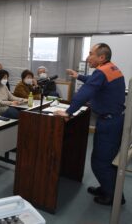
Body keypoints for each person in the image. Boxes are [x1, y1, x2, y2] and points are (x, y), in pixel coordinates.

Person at [54, 43, 126, 206]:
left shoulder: (101, 72)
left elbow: (85, 91)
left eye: (90, 53)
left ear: (101, 57)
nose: (87, 57)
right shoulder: (111, 68)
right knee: (107, 161)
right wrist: (77, 76)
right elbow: (94, 81)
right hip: (114, 120)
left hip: (109, 123)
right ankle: (108, 188)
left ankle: (114, 197)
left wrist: (69, 112)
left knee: (100, 162)